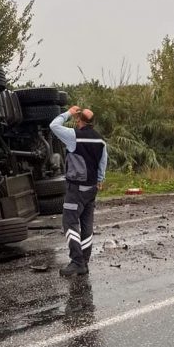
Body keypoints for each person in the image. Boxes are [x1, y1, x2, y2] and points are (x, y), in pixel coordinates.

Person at [50, 105, 108, 276]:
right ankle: (84, 262)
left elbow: (53, 125)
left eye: (76, 118)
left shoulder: (74, 136)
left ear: (78, 120)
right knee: (86, 225)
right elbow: (103, 163)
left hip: (76, 189)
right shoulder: (100, 140)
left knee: (69, 223)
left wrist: (68, 112)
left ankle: (77, 262)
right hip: (91, 189)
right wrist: (99, 180)